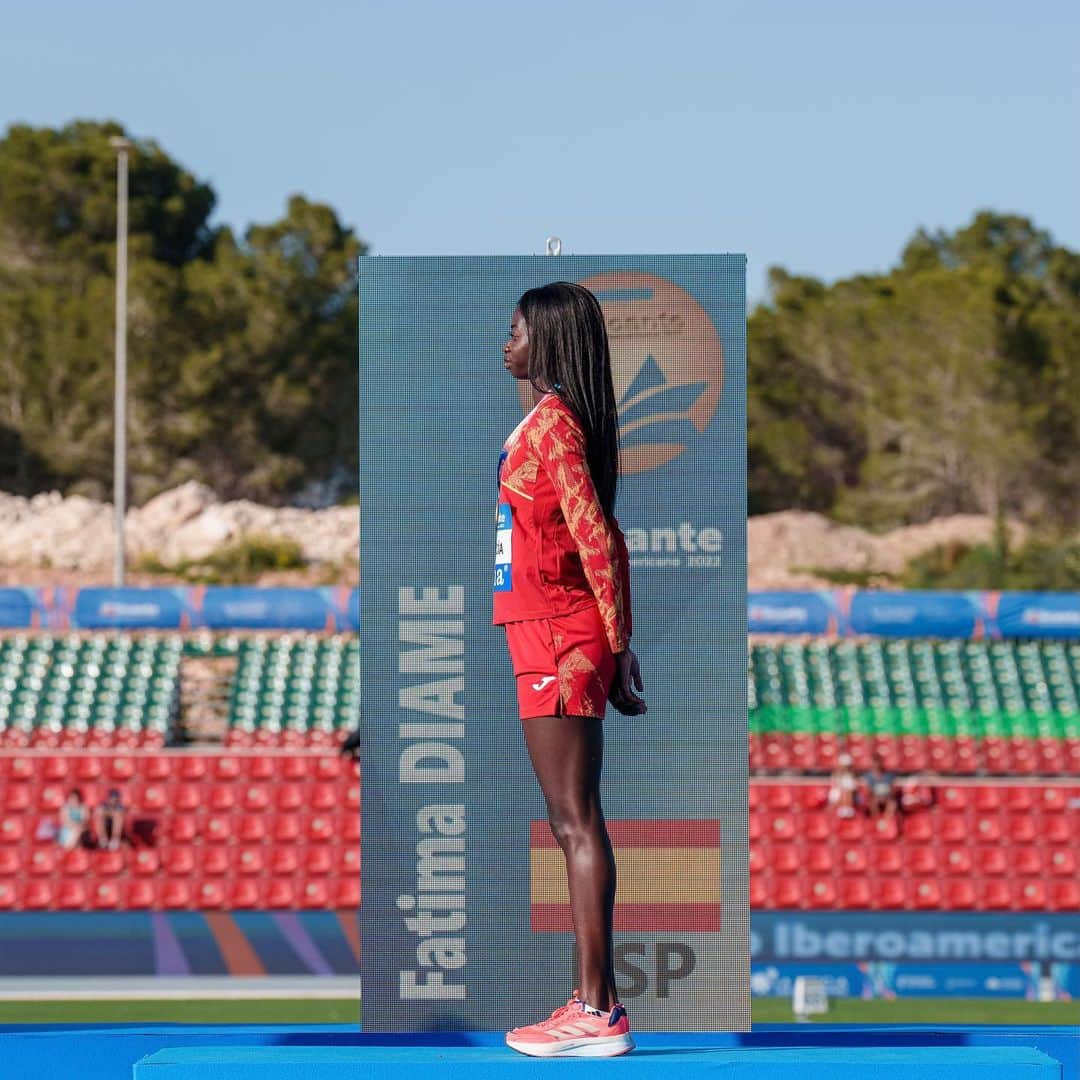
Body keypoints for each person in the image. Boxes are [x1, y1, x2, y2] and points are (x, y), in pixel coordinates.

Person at [493, 282, 645, 1059]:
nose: (506, 339)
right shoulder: (541, 422)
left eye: (517, 328)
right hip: (540, 631)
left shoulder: (554, 425)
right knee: (567, 821)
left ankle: (598, 1008)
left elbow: (599, 538)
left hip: (561, 635)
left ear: (548, 338)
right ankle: (591, 1002)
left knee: (576, 819)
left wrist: (616, 646)